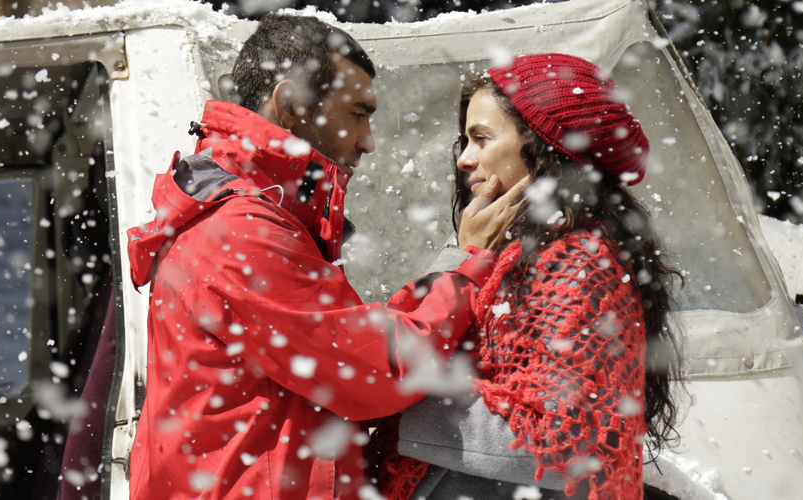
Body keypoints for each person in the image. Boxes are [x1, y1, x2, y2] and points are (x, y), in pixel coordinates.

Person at [125, 14, 525, 500]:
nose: (368, 141)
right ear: (290, 104)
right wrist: (468, 263)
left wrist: (454, 268)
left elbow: (347, 338)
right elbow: (374, 372)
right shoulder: (239, 230)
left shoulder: (246, 212)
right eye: (358, 114)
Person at [371, 54, 682, 500]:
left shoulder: (578, 262)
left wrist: (387, 399)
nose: (464, 159)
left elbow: (568, 444)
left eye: (481, 138)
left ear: (542, 147)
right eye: (465, 140)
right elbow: (413, 337)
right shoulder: (515, 250)